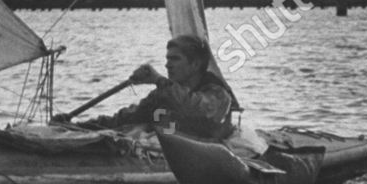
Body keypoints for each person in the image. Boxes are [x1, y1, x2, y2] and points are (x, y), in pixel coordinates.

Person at [60, 35, 237, 139]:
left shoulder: (218, 94)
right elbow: (124, 119)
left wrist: (159, 80)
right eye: (167, 59)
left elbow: (196, 107)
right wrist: (75, 127)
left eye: (175, 59)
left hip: (210, 153)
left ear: (195, 64)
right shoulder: (163, 94)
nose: (168, 65)